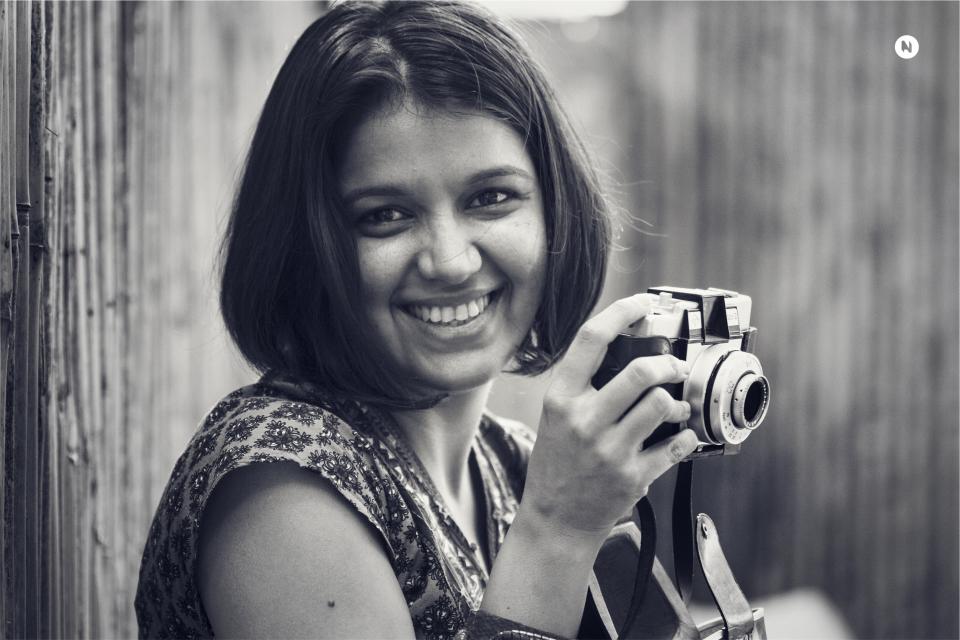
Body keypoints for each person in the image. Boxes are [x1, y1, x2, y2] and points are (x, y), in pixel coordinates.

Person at [134, 1, 698, 638]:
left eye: (491, 198)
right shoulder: (281, 485)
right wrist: (556, 532)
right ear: (306, 245)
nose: (451, 262)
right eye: (386, 215)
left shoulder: (509, 461)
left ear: (555, 211)